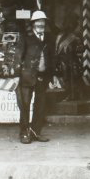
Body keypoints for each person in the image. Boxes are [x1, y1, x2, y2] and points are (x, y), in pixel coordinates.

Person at [14, 10, 56, 144]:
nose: (40, 24)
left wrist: (52, 76)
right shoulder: (26, 37)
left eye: (42, 22)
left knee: (40, 106)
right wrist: (16, 75)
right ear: (33, 24)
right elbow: (18, 56)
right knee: (25, 105)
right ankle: (24, 133)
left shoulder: (49, 38)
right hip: (27, 77)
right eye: (38, 22)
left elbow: (52, 58)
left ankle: (36, 132)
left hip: (43, 77)